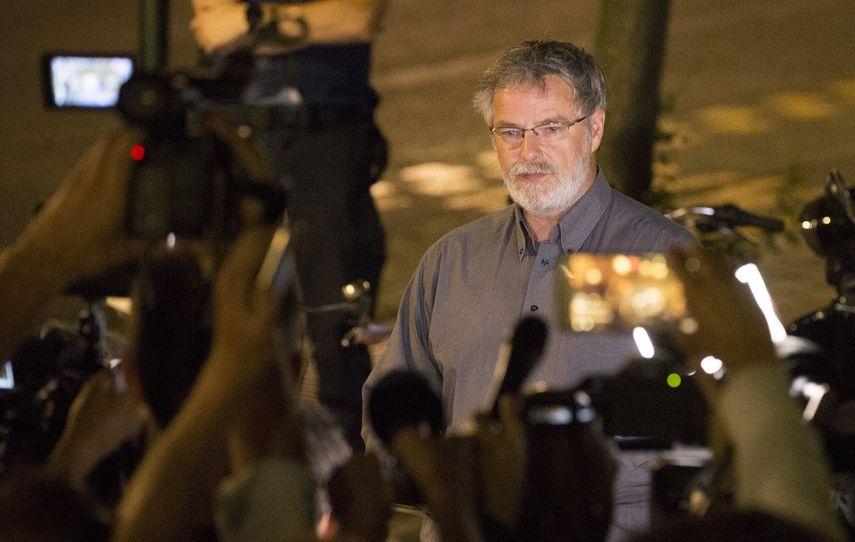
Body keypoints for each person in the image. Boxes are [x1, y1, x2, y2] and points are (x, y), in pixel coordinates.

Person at [362, 39, 697, 539]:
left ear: (595, 128)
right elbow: (389, 417)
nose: (528, 152)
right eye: (511, 131)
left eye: (551, 129)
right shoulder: (451, 262)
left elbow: (709, 423)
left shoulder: (662, 258)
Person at [190, 0, 389, 452]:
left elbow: (356, 19)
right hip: (242, 137)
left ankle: (341, 470)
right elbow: (212, 28)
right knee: (229, 303)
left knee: (336, 317)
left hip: (327, 139)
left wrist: (255, 20)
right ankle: (240, 455)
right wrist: (304, 19)